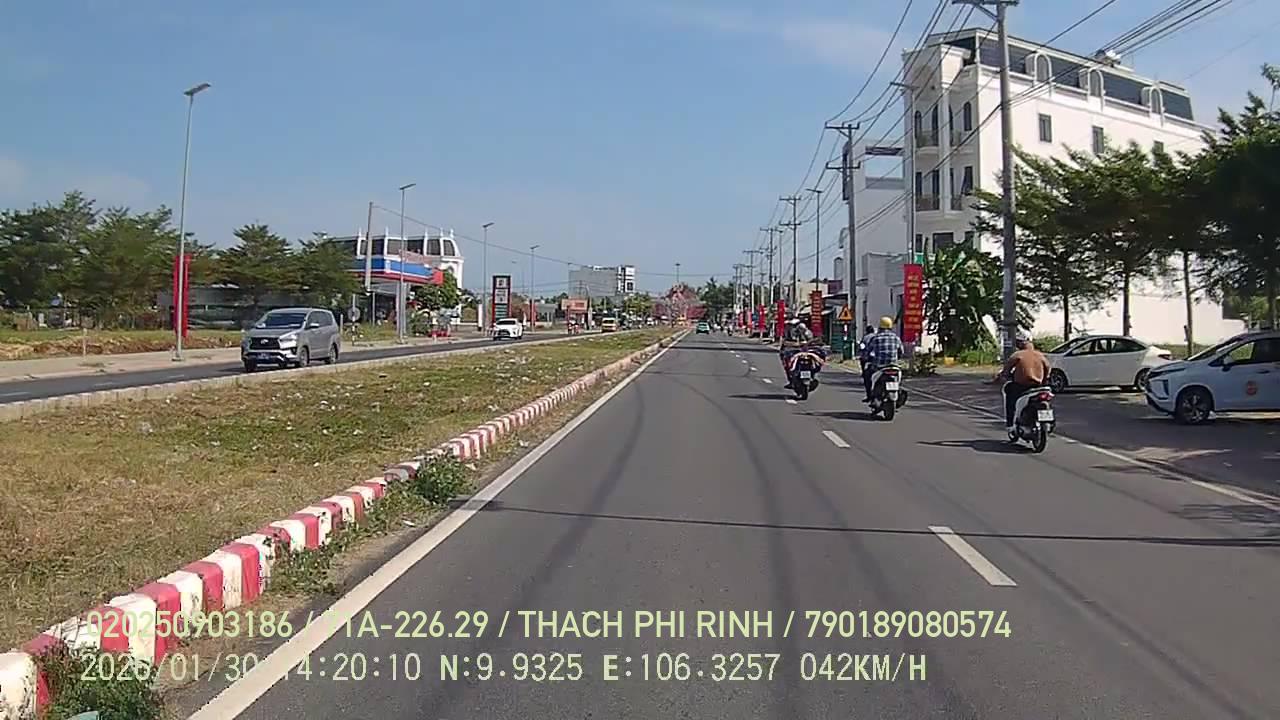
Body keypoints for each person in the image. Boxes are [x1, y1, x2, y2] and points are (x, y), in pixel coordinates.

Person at [999, 333, 1052, 437]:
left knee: (1009, 393)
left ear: (1020, 344)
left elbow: (1007, 370)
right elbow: (1048, 368)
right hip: (1038, 387)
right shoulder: (1040, 355)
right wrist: (1044, 379)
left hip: (1021, 387)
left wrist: (1004, 375)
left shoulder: (1017, 355)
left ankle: (1010, 424)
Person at [861, 316, 905, 401]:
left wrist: (866, 358)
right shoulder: (896, 338)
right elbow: (901, 351)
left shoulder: (876, 338)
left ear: (880, 327)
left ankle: (869, 396)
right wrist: (897, 358)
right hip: (894, 365)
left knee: (867, 375)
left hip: (879, 366)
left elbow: (868, 351)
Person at [780, 318, 815, 384]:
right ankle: (791, 379)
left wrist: (807, 343)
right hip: (792, 351)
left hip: (805, 351)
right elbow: (784, 343)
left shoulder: (806, 331)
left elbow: (811, 340)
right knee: (787, 363)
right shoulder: (788, 332)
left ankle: (812, 375)